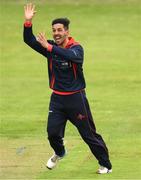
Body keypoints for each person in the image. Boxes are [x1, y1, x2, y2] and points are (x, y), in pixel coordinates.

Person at [23, 3, 112, 174]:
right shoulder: (50, 48)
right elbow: (29, 40)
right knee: (52, 134)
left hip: (76, 99)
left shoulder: (76, 48)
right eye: (54, 30)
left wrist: (50, 48)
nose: (56, 33)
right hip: (57, 99)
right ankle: (60, 152)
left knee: (89, 135)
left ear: (67, 32)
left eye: (59, 30)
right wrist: (28, 22)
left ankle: (106, 164)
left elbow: (72, 57)